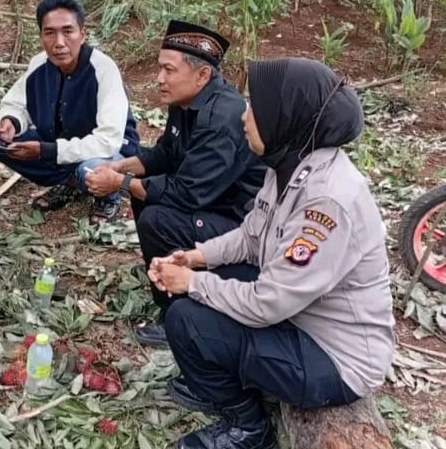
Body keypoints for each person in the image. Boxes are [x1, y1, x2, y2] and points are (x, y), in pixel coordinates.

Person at [148, 57, 395, 449]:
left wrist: (192, 283)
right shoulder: (288, 163)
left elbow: (268, 303)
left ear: (286, 116)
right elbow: (251, 236)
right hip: (304, 315)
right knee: (204, 294)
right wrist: (195, 258)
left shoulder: (326, 200)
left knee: (188, 318)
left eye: (255, 106)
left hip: (336, 357)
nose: (244, 115)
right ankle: (230, 386)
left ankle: (248, 428)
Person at [85, 21, 266, 347]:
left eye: (169, 70)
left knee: (157, 218)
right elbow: (166, 153)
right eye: (160, 68)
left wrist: (119, 182)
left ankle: (178, 316)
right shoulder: (186, 103)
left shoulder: (221, 118)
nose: (159, 78)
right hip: (211, 198)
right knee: (142, 188)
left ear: (202, 75)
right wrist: (120, 167)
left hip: (242, 222)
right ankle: (165, 271)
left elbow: (186, 193)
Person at [0, 0, 139, 223]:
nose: (59, 43)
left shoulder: (104, 69)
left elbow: (108, 141)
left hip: (107, 152)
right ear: (41, 37)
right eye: (50, 33)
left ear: (82, 34)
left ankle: (108, 195)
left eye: (68, 31)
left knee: (91, 169)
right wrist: (11, 121)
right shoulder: (39, 65)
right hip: (59, 143)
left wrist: (46, 151)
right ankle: (69, 182)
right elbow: (16, 103)